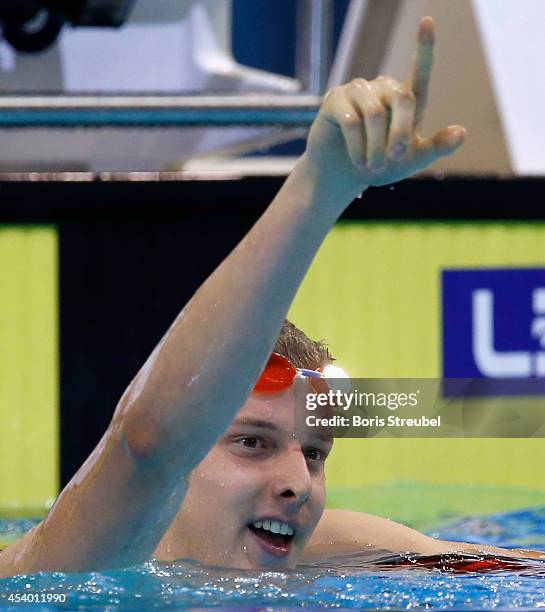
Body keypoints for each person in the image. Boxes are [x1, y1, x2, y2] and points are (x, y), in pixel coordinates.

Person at [0, 17, 542, 577]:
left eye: (314, 453)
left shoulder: (328, 550)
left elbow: (523, 572)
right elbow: (149, 443)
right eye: (252, 443)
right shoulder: (67, 562)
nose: (297, 484)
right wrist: (325, 183)